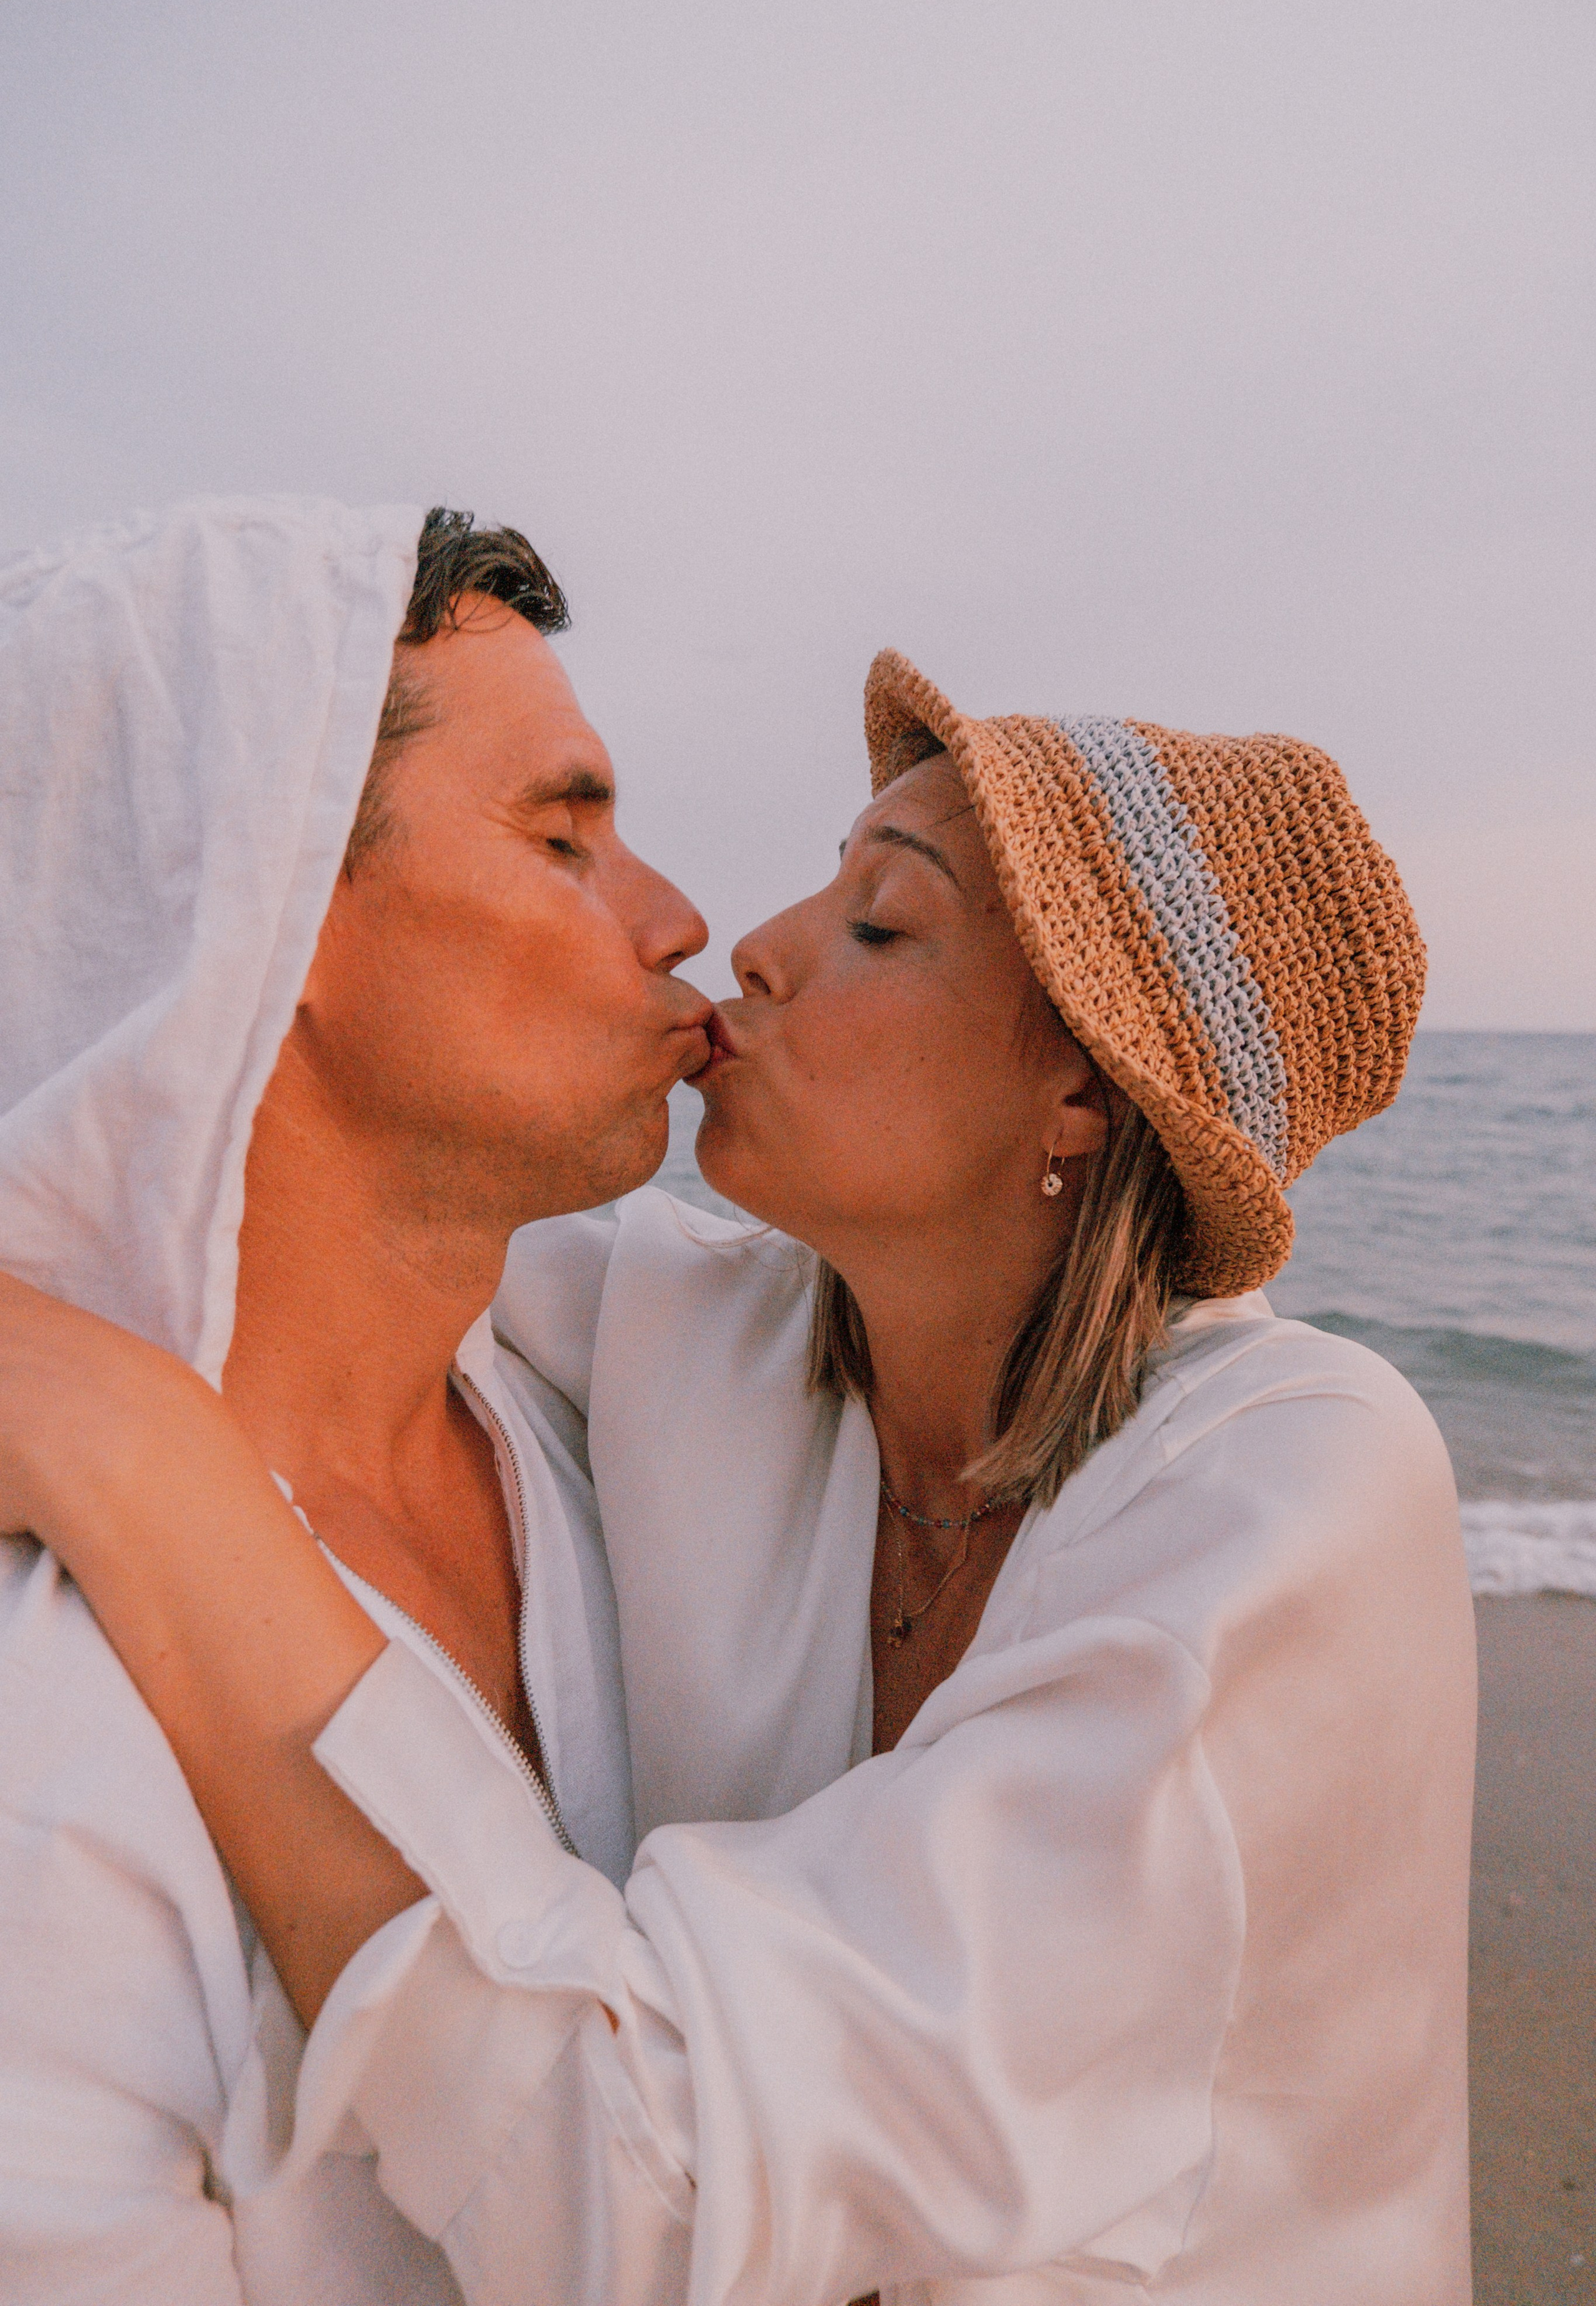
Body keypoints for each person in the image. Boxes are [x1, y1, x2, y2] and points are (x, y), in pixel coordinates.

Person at [0, 650, 1477, 2305]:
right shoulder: (720, 1344)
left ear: (1079, 1088)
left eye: (881, 925)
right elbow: (304, 1202)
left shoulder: (1292, 1484)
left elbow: (648, 2186)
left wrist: (139, 1464)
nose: (752, 946)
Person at [0, 496, 712, 2302]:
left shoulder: (626, 1424)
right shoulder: (49, 1766)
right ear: (265, 901)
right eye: (563, 838)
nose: (679, 921)